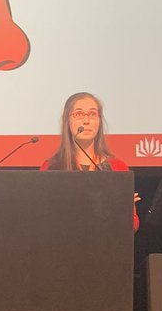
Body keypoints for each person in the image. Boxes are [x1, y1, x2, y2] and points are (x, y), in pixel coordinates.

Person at [41, 91, 139, 230]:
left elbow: (133, 226)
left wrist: (123, 209)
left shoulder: (117, 167)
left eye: (92, 114)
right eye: (79, 114)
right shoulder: (51, 168)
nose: (86, 121)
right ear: (67, 121)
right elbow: (43, 221)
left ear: (99, 121)